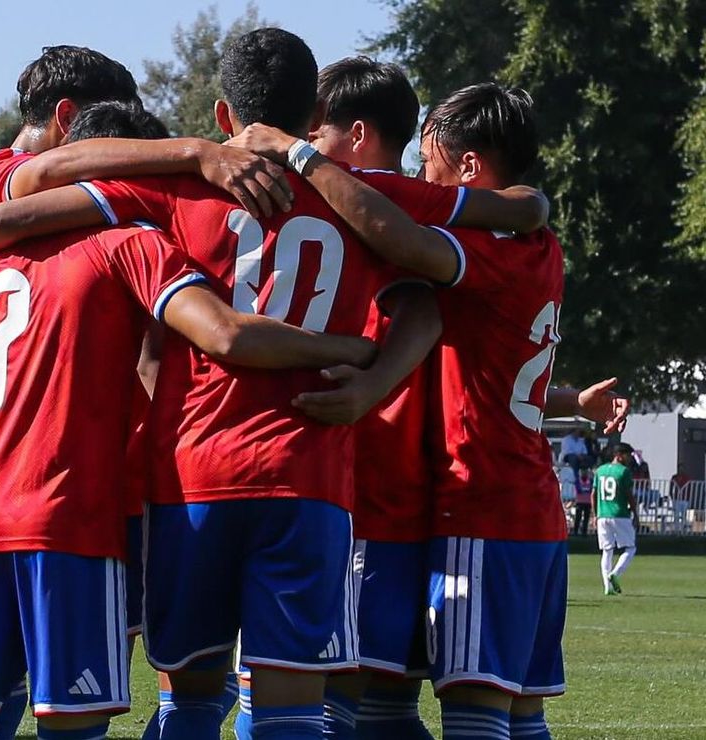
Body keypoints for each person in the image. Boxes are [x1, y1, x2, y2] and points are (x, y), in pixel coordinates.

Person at [0, 45, 289, 740]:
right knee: (51, 696)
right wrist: (199, 155)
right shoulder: (42, 204)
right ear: (69, 121)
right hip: (5, 475)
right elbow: (217, 335)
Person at [0, 202, 376, 739]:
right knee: (74, 724)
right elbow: (223, 333)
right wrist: (358, 351)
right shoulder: (128, 246)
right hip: (68, 521)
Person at [258, 81, 630, 740]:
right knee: (506, 714)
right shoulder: (534, 242)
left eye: (431, 164)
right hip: (523, 511)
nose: (423, 181)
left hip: (478, 511)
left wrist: (301, 158)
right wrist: (571, 401)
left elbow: (397, 236)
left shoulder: (492, 247)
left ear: (468, 168)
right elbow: (491, 379)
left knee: (474, 717)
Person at [593, 443, 640, 595]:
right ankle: (615, 574)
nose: (628, 459)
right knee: (630, 548)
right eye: (627, 455)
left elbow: (593, 495)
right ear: (618, 455)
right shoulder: (624, 471)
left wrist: (595, 514)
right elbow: (629, 495)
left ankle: (607, 586)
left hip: (602, 515)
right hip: (619, 514)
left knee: (607, 551)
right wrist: (636, 514)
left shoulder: (600, 471)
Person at [574, 467, 594, 536]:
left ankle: (584, 532)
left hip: (588, 502)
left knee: (586, 518)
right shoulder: (577, 481)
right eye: (582, 472)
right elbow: (579, 490)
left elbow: (591, 490)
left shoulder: (590, 481)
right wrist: (586, 490)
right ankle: (575, 531)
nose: (584, 473)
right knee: (578, 517)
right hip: (579, 502)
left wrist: (584, 490)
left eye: (585, 472)